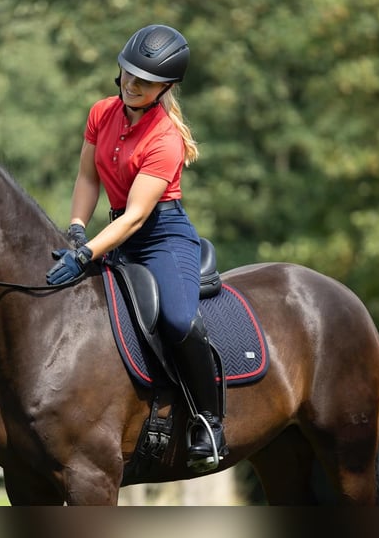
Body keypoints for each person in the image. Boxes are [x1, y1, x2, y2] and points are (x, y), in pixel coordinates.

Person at [46, 24, 228, 471]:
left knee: (177, 319)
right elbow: (88, 178)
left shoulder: (165, 138)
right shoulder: (101, 112)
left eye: (143, 81)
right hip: (114, 232)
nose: (130, 83)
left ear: (165, 87)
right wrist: (74, 229)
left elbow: (136, 216)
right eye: (127, 73)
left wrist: (86, 253)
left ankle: (209, 420)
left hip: (161, 237)